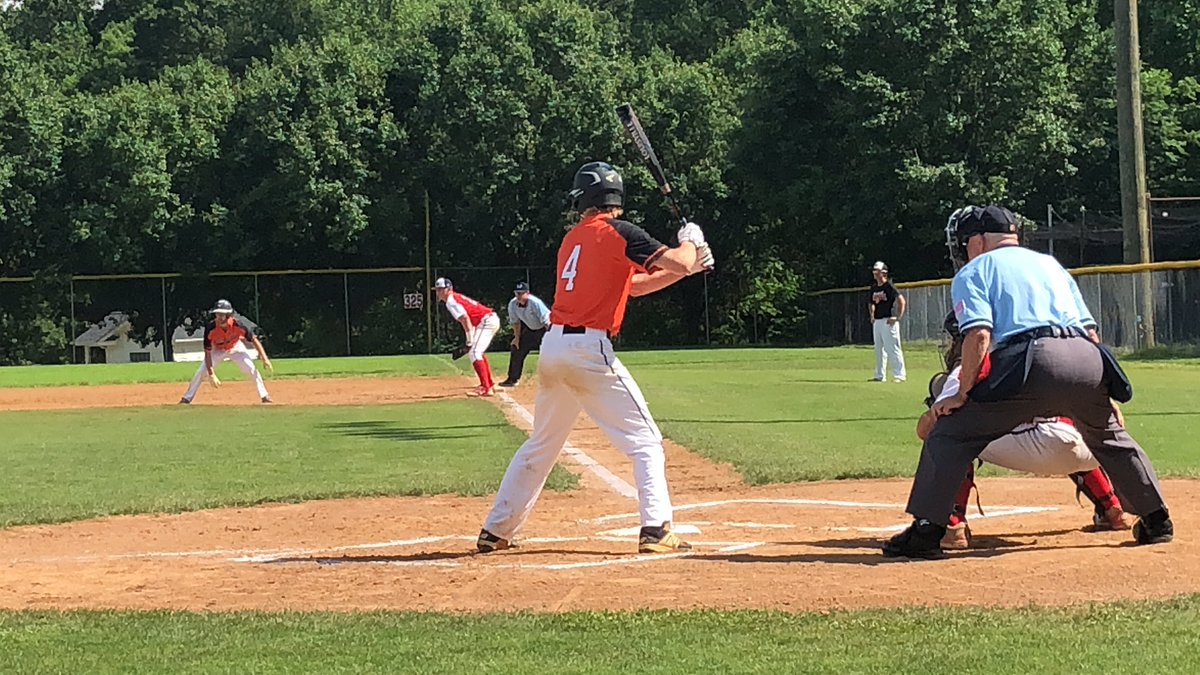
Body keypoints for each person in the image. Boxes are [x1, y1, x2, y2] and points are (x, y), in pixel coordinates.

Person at [883, 204, 1172, 559]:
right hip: (1086, 357)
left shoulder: (975, 270)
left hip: (1031, 358)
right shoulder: (1050, 265)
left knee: (951, 432)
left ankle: (928, 532)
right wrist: (1104, 398)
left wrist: (961, 392)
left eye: (964, 242)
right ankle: (1157, 520)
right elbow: (1091, 332)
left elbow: (978, 335)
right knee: (1110, 436)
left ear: (976, 241)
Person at [476, 160, 714, 555]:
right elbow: (679, 260)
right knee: (646, 441)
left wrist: (687, 268)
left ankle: (496, 529)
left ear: (584, 199)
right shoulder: (621, 232)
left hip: (554, 347)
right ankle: (655, 529)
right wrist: (691, 242)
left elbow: (633, 287)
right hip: (588, 350)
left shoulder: (573, 238)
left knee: (541, 445)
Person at [918, 311, 1131, 549]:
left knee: (951, 434)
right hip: (1093, 450)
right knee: (1071, 426)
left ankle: (953, 525)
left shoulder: (973, 366)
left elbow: (925, 430)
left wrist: (937, 407)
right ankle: (1112, 508)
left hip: (1037, 445)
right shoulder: (1048, 354)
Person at [179, 299, 273, 404]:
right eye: (217, 313)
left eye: (222, 314)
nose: (219, 316)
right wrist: (211, 374)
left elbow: (254, 340)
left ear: (228, 315)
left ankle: (264, 396)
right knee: (201, 371)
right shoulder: (210, 328)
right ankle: (187, 398)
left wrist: (264, 358)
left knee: (251, 368)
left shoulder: (239, 324)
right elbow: (208, 352)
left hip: (236, 347)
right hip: (218, 350)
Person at [434, 277, 500, 396]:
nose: (438, 292)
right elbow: (469, 318)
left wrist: (469, 341)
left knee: (474, 352)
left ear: (449, 289)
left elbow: (465, 319)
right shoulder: (453, 298)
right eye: (437, 290)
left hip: (486, 321)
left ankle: (486, 388)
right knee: (477, 352)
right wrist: (470, 340)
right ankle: (489, 384)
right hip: (486, 321)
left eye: (441, 289)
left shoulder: (451, 300)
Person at [498, 281, 551, 387]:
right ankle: (512, 379)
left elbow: (547, 322)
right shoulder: (512, 304)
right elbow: (516, 323)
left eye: (521, 293)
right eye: (517, 293)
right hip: (530, 329)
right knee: (516, 348)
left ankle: (553, 380)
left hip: (544, 329)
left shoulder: (535, 303)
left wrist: (551, 338)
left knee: (549, 354)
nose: (519, 296)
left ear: (527, 293)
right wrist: (516, 338)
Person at [868, 261, 906, 382]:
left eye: (877, 271)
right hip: (878, 322)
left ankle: (899, 375)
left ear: (884, 272)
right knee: (879, 349)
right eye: (874, 270)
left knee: (892, 348)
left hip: (888, 321)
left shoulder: (889, 286)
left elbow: (901, 301)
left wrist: (897, 317)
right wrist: (872, 315)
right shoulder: (874, 288)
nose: (875, 273)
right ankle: (880, 375)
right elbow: (871, 303)